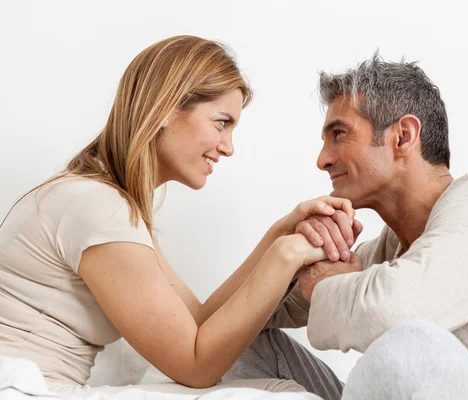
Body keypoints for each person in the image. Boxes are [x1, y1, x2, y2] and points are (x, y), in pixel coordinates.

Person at [0, 36, 398, 400]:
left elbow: (200, 321)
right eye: (221, 123)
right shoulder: (96, 207)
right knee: (283, 396)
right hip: (24, 388)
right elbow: (196, 365)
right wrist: (289, 254)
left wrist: (282, 231)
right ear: (164, 109)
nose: (228, 148)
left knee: (279, 390)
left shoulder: (108, 203)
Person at [230, 55, 468, 400]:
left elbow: (394, 313)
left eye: (339, 134)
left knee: (409, 349)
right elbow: (250, 312)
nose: (323, 159)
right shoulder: (388, 250)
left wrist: (324, 284)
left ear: (403, 136)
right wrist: (293, 245)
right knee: (237, 341)